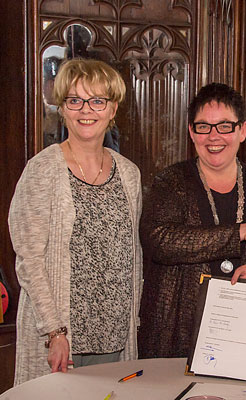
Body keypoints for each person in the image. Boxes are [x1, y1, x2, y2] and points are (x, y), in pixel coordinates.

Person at [137, 82, 246, 358]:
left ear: (242, 130)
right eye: (203, 127)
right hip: (175, 330)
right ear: (191, 132)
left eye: (225, 126)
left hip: (244, 326)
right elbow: (159, 241)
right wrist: (239, 233)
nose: (214, 137)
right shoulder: (170, 182)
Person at [8, 59, 142, 385]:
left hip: (113, 336)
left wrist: (132, 323)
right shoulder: (42, 169)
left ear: (113, 110)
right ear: (62, 109)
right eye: (75, 100)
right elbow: (29, 260)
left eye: (98, 101)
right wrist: (54, 331)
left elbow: (132, 254)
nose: (87, 110)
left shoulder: (129, 173)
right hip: (59, 339)